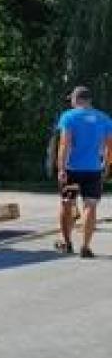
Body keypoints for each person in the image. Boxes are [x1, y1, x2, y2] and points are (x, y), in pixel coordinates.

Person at [56, 85, 112, 257]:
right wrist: (107, 164)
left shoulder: (69, 116)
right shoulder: (104, 118)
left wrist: (61, 168)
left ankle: (67, 243)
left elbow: (65, 143)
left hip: (72, 170)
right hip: (93, 170)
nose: (70, 103)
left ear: (76, 99)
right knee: (90, 206)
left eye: (71, 99)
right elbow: (110, 145)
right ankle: (85, 247)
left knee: (67, 203)